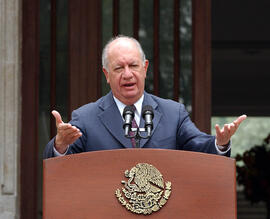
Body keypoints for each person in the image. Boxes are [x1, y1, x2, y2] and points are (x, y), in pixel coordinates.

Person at [43, 35, 246, 159]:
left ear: (145, 68)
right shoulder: (86, 118)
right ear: (106, 75)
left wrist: (219, 144)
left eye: (133, 66)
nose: (128, 74)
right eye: (118, 68)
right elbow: (61, 168)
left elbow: (199, 147)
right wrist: (60, 145)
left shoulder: (173, 113)